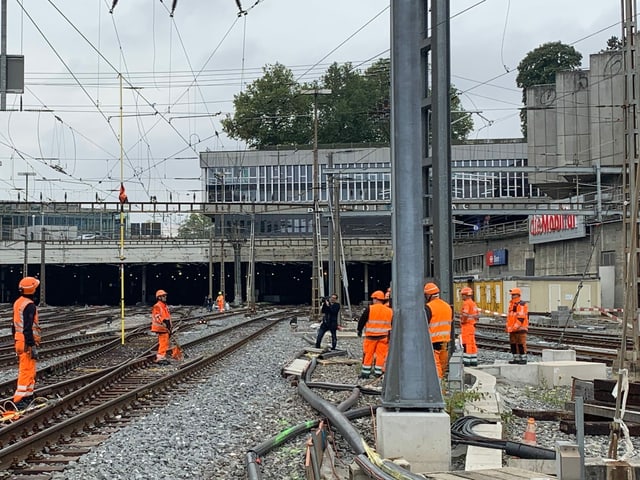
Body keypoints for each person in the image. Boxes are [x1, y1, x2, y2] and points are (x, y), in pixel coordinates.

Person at [12, 276, 41, 410]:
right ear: (32, 289)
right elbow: (28, 327)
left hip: (19, 340)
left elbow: (14, 325)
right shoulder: (29, 305)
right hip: (26, 342)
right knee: (26, 370)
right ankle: (20, 399)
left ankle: (28, 395)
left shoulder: (18, 302)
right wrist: (32, 345)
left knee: (28, 369)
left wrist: (17, 339)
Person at [357, 290, 393, 379]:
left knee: (368, 354)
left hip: (371, 337)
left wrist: (359, 330)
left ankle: (365, 373)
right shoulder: (389, 311)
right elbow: (392, 323)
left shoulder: (370, 309)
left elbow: (362, 320)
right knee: (381, 355)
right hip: (384, 337)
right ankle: (378, 372)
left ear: (376, 299)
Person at [424, 282, 453, 379]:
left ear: (428, 295)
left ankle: (439, 387)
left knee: (436, 365)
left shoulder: (428, 307)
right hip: (445, 340)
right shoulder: (447, 306)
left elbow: (424, 324)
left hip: (433, 341)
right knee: (443, 365)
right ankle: (443, 386)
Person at [506, 287, 529, 364]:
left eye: (514, 295)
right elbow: (510, 317)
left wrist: (514, 327)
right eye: (512, 295)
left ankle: (523, 358)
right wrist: (508, 327)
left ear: (518, 295)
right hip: (513, 329)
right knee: (513, 344)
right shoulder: (511, 304)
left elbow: (521, 318)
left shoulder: (521, 304)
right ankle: (516, 358)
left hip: (520, 328)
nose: (512, 296)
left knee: (521, 343)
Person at [151, 289, 172, 365]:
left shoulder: (164, 306)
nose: (165, 297)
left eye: (165, 295)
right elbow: (158, 317)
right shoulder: (157, 306)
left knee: (165, 343)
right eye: (163, 296)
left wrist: (169, 327)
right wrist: (165, 323)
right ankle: (160, 358)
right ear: (159, 297)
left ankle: (162, 356)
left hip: (164, 328)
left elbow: (167, 317)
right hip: (161, 328)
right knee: (163, 343)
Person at [459, 286, 479, 367]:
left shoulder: (466, 303)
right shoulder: (473, 303)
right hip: (472, 326)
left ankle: (467, 361)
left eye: (462, 295)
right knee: (472, 343)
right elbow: (477, 316)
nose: (462, 296)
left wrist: (462, 321)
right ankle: (473, 360)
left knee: (466, 343)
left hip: (466, 326)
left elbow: (465, 314)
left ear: (466, 295)